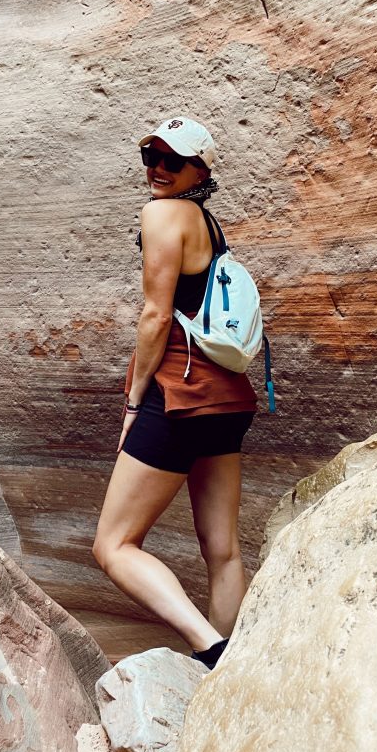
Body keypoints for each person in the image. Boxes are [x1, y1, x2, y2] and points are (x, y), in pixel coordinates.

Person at [92, 116, 257, 669]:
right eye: (150, 157)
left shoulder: (161, 215)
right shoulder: (208, 224)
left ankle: (209, 650)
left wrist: (135, 400)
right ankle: (234, 670)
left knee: (112, 547)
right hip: (228, 401)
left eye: (173, 161)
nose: (158, 169)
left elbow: (157, 314)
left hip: (180, 398)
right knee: (223, 549)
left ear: (200, 169)